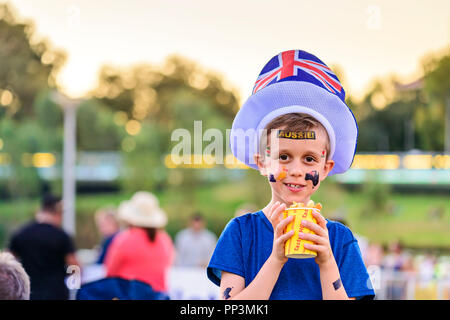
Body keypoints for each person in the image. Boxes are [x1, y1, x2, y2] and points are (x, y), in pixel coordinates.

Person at [207, 50, 375, 300]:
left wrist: (327, 262)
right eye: (283, 156)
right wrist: (276, 259)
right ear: (262, 163)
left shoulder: (340, 240)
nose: (297, 171)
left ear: (325, 168)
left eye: (309, 159)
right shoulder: (241, 232)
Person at [8, 194, 79, 300]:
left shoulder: (21, 234)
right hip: (56, 293)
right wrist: (71, 280)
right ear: (57, 211)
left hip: (28, 293)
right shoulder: (61, 236)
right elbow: (74, 266)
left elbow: (7, 263)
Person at [104, 191, 174, 295]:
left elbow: (110, 272)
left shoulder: (124, 239)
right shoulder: (164, 239)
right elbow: (169, 263)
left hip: (129, 294)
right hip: (157, 295)